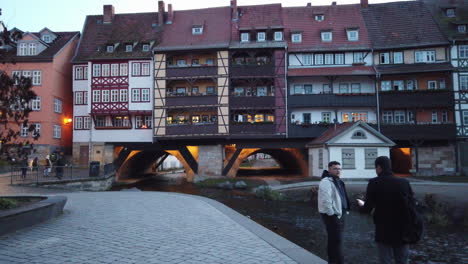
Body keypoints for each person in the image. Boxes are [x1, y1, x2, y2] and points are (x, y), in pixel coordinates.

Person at [357, 156, 414, 264]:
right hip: (403, 228)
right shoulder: (404, 182)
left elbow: (367, 208)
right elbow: (411, 203)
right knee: (402, 260)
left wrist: (361, 206)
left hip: (383, 228)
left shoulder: (374, 182)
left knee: (385, 260)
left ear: (378, 167)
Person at [318, 161, 350, 264]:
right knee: (336, 241)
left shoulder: (338, 181)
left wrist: (346, 210)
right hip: (332, 216)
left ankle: (333, 261)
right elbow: (326, 200)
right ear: (329, 170)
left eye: (339, 169)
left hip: (340, 214)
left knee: (335, 240)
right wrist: (332, 214)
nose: (338, 171)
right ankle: (337, 261)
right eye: (335, 169)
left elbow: (342, 196)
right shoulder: (326, 182)